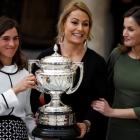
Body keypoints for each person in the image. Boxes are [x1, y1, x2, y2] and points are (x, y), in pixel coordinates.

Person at [31, 1, 108, 140]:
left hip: (86, 135)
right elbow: (33, 94)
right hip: (53, 134)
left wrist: (86, 124)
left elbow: (102, 100)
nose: (80, 28)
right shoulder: (45, 58)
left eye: (85, 24)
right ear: (63, 24)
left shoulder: (97, 62)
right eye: (75, 22)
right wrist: (40, 115)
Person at [91, 6, 140, 140]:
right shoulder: (117, 54)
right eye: (124, 27)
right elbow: (105, 89)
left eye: (130, 29)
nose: (124, 33)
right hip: (116, 129)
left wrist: (112, 112)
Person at [0, 16, 42, 140]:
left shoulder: (24, 74)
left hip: (20, 135)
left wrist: (39, 138)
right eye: (5, 39)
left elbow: (27, 115)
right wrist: (16, 89)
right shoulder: (22, 82)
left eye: (15, 38)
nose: (12, 44)